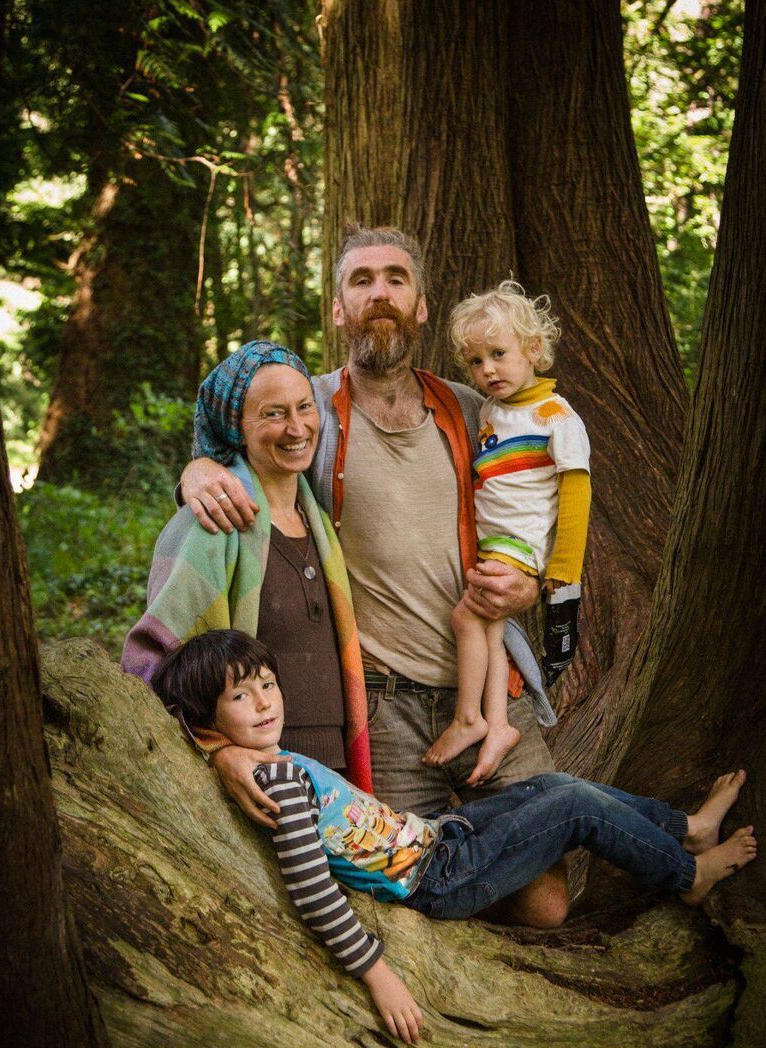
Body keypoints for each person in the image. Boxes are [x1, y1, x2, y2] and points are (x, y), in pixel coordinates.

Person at [180, 225, 571, 928]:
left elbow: (546, 493)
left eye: (395, 279)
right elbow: (240, 440)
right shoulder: (309, 415)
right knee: (401, 894)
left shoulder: (475, 408)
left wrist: (534, 584)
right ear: (338, 309)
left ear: (422, 307)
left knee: (545, 905)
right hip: (385, 711)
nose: (379, 294)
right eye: (360, 281)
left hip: (491, 696)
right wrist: (198, 468)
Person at [152, 629, 757, 1047]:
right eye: (239, 696)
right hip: (439, 877)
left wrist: (224, 750)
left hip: (440, 838)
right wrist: (378, 972)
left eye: (266, 683)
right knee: (571, 806)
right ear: (207, 718)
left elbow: (206, 738)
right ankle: (688, 875)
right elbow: (310, 891)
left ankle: (687, 829)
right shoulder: (274, 782)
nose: (263, 702)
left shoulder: (260, 761)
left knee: (550, 783)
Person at [122, 341, 372, 790]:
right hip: (258, 778)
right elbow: (151, 666)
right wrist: (220, 752)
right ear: (236, 428)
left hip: (333, 775)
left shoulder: (320, 517)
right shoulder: (208, 527)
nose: (296, 427)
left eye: (304, 408)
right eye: (274, 414)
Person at [424, 278, 591, 783]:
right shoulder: (493, 412)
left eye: (498, 353)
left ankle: (468, 717)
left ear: (534, 350)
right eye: (476, 362)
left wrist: (562, 570)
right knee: (491, 630)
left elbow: (576, 493)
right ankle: (498, 724)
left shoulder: (555, 416)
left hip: (520, 543)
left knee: (466, 618)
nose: (487, 370)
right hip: (493, 542)